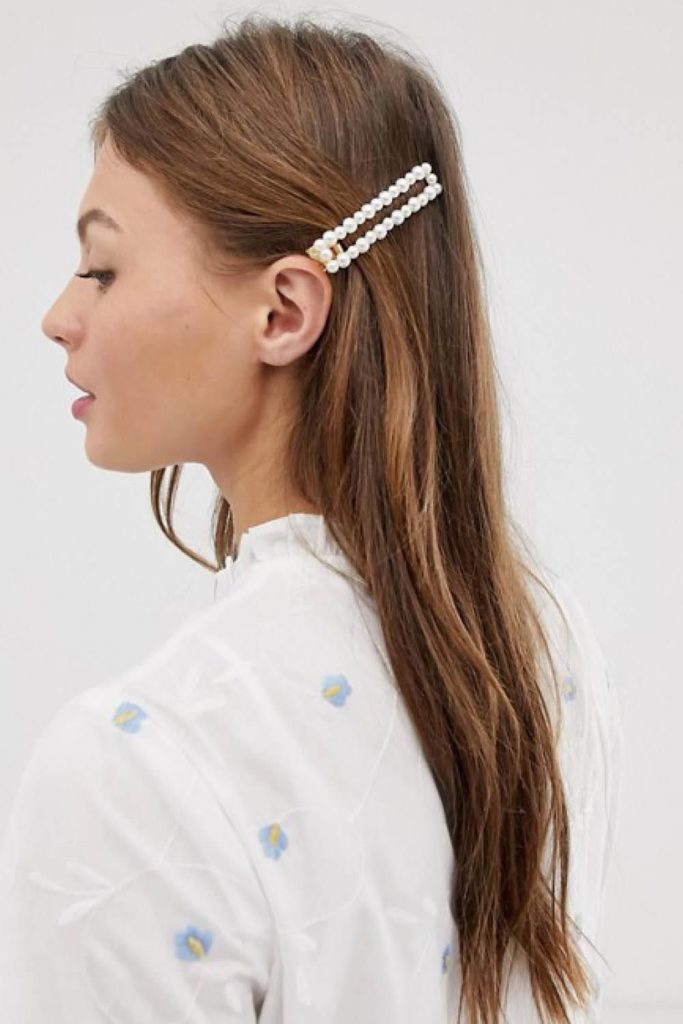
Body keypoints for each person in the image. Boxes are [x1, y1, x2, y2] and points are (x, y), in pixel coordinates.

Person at [0, 14, 623, 1023]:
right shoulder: (542, 651)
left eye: (103, 268)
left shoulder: (132, 769)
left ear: (285, 312)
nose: (59, 317)